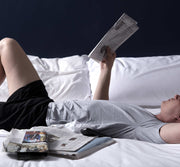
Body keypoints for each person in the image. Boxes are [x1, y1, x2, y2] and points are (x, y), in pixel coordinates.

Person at [0, 38, 179, 144]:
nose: (177, 95)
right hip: (42, 103)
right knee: (7, 45)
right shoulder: (145, 115)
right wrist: (106, 69)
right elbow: (98, 107)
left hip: (38, 117)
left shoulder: (151, 129)